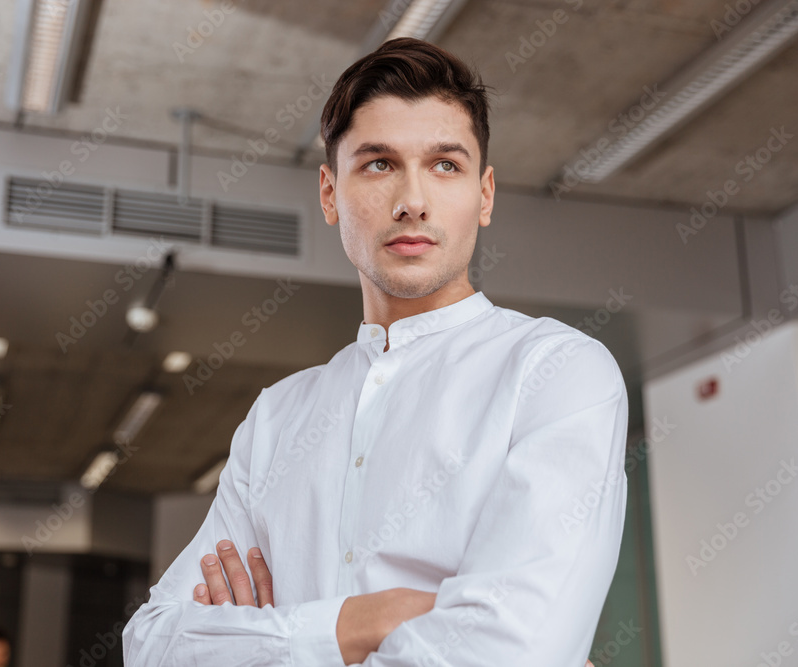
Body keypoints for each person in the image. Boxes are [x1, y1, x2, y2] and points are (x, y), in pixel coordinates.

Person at [123, 37, 626, 666]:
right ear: (331, 194)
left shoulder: (556, 372)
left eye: (445, 165)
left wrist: (271, 639)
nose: (412, 200)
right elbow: (152, 646)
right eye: (379, 164)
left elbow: (509, 649)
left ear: (485, 193)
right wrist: (359, 623)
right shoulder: (277, 417)